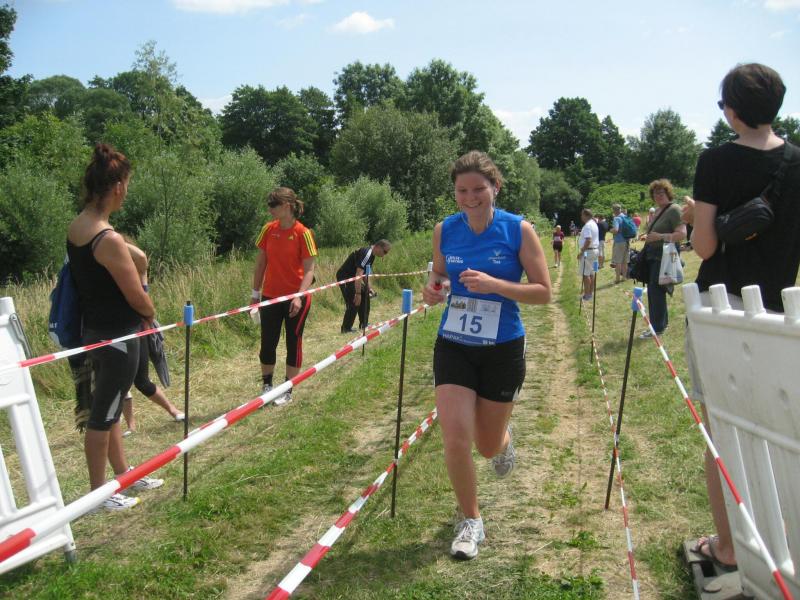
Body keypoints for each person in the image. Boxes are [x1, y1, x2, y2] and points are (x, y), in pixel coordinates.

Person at [681, 63, 799, 572]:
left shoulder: (715, 160)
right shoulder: (797, 161)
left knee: (723, 429)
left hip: (720, 307)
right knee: (778, 429)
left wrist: (693, 219)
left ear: (730, 111)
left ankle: (729, 546)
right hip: (778, 306)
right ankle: (783, 543)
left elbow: (706, 246)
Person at [422, 151, 551, 561]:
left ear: (495, 187)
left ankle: (503, 442)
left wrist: (495, 285)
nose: (470, 197)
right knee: (455, 437)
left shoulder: (518, 230)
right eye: (462, 190)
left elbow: (544, 292)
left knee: (487, 446)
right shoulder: (445, 229)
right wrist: (434, 288)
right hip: (454, 343)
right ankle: (471, 520)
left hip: (502, 347)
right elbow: (439, 272)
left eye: (479, 188)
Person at [67, 143, 163, 511]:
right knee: (103, 415)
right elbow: (137, 295)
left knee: (111, 407)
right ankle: (99, 494)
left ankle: (124, 475)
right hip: (118, 336)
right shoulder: (106, 239)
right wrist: (150, 312)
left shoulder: (81, 225)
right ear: (118, 187)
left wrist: (130, 250)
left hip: (97, 331)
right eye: (128, 184)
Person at [251, 187, 317, 406]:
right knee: (267, 342)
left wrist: (299, 296)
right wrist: (255, 294)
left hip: (296, 298)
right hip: (270, 296)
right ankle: (267, 385)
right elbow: (261, 263)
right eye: (269, 204)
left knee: (293, 342)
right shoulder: (268, 229)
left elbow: (309, 270)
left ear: (287, 206)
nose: (269, 209)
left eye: (273, 205)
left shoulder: (303, 233)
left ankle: (288, 389)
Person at [120, 240, 184, 436]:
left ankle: (173, 411)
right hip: (114, 333)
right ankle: (131, 426)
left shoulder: (138, 273)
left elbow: (141, 258)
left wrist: (113, 239)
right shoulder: (113, 274)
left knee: (141, 381)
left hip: (138, 331)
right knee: (120, 383)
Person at [637, 180, 686, 339]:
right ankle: (660, 324)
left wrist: (660, 236)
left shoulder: (674, 209)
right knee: (654, 290)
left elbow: (682, 234)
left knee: (656, 291)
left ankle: (657, 328)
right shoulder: (658, 211)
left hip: (664, 256)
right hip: (653, 255)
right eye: (655, 193)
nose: (658, 195)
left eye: (661, 192)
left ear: (668, 193)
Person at [336, 240, 391, 333]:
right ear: (379, 247)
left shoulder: (372, 256)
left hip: (353, 277)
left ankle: (364, 324)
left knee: (365, 294)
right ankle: (346, 328)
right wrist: (358, 293)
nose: (384, 255)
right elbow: (359, 274)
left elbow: (364, 275)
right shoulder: (367, 254)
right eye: (385, 252)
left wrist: (369, 288)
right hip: (345, 277)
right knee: (354, 299)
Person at [577, 208, 599, 301]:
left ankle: (587, 295)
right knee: (591, 273)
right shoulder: (594, 224)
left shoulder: (588, 225)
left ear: (586, 215)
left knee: (585, 274)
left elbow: (588, 240)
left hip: (588, 251)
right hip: (594, 250)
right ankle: (590, 293)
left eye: (582, 215)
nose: (581, 216)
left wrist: (581, 252)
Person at [610, 204, 630, 284]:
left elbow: (616, 230)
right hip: (626, 241)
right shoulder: (625, 217)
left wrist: (611, 230)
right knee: (625, 261)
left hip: (619, 242)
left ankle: (617, 279)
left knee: (618, 261)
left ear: (614, 210)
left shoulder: (617, 218)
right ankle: (624, 277)